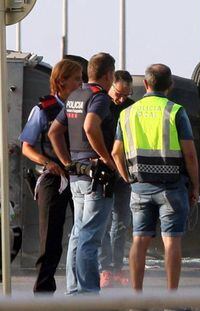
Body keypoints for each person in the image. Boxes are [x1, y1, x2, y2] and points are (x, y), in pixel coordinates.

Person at [112, 63, 199, 292]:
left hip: (139, 187)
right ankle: (171, 299)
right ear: (170, 85)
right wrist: (196, 186)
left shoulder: (127, 113)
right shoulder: (176, 112)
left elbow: (115, 152)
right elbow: (189, 153)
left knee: (139, 241)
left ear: (147, 84)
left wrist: (128, 179)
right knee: (172, 242)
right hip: (172, 188)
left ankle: (137, 299)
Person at [48, 52, 116, 294]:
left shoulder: (75, 96)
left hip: (77, 174)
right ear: (109, 75)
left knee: (78, 233)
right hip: (96, 177)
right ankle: (88, 293)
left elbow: (54, 132)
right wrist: (107, 159)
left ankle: (75, 289)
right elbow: (90, 126)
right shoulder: (99, 98)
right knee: (90, 236)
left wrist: (67, 161)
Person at [19, 59, 83, 294]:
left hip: (79, 177)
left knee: (83, 233)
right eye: (76, 79)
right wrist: (48, 162)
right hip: (52, 178)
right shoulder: (42, 109)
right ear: (61, 81)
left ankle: (80, 288)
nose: (81, 83)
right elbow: (27, 146)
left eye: (82, 78)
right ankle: (43, 293)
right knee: (51, 240)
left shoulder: (81, 107)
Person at [99, 70, 135, 288]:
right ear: (110, 85)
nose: (121, 99)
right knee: (103, 222)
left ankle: (118, 266)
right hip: (104, 169)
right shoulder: (100, 104)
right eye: (118, 94)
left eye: (125, 95)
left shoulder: (131, 107)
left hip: (124, 171)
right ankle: (105, 268)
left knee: (122, 221)